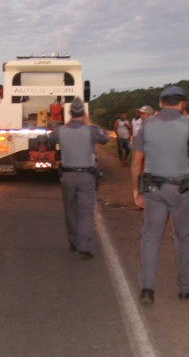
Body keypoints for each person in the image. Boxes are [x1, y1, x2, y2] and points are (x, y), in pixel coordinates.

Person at [130, 86, 189, 305]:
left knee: (150, 236)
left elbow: (137, 162)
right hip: (180, 190)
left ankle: (147, 288)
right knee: (183, 237)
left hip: (153, 190)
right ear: (182, 104)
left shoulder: (146, 126)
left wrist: (136, 189)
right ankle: (186, 288)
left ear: (160, 103)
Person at [50, 97, 109, 260]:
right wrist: (90, 123)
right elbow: (105, 139)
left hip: (67, 175)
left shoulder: (60, 130)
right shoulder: (92, 130)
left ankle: (73, 241)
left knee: (71, 210)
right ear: (83, 112)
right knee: (86, 211)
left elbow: (49, 139)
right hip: (86, 176)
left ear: (69, 113)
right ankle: (84, 246)